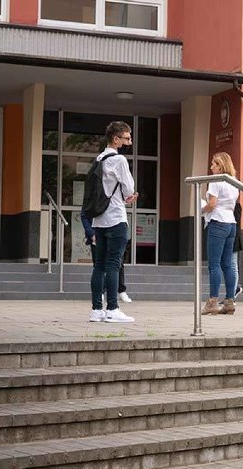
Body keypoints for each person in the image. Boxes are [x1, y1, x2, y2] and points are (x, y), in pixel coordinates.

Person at [89, 121, 138, 323]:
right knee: (113, 264)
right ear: (116, 139)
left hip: (98, 219)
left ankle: (96, 310)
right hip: (116, 218)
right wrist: (130, 196)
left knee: (99, 266)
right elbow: (128, 187)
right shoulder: (119, 160)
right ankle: (113, 308)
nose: (129, 141)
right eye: (126, 138)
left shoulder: (99, 159)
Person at [201, 152, 239, 315]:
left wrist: (201, 209)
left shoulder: (216, 180)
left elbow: (212, 204)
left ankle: (212, 302)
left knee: (214, 264)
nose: (211, 167)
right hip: (231, 223)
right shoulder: (233, 182)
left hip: (218, 221)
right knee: (227, 264)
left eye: (213, 164)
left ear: (220, 165)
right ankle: (230, 301)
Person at [81, 211, 132, 305]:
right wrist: (91, 234)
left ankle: (121, 291)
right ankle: (103, 297)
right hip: (98, 233)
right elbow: (84, 215)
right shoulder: (93, 198)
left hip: (113, 232)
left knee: (117, 264)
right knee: (100, 265)